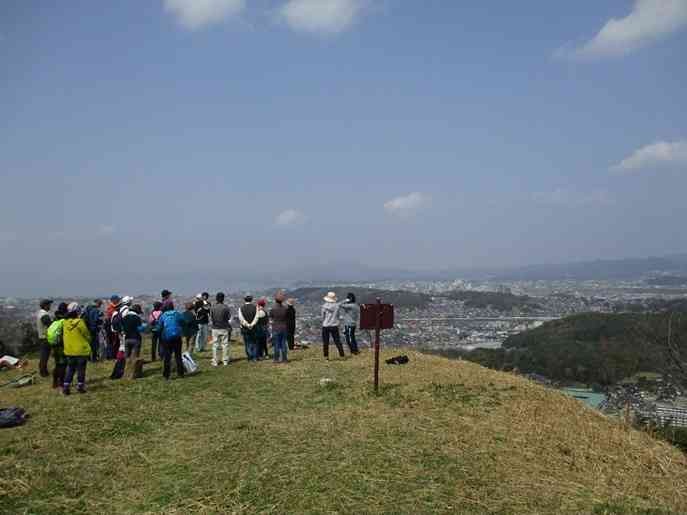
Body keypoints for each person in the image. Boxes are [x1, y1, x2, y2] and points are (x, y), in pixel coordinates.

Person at [62, 303, 92, 394]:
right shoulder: (80, 322)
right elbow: (86, 334)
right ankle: (80, 386)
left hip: (69, 350)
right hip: (81, 350)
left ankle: (66, 387)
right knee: (81, 369)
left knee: (70, 369)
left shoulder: (64, 323)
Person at [157, 303, 185, 380]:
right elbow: (183, 322)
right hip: (177, 337)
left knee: (167, 357)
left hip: (167, 338)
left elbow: (159, 327)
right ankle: (180, 373)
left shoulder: (163, 315)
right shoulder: (177, 314)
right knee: (178, 355)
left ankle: (166, 375)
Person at [46, 302, 69, 389]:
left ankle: (55, 382)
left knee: (57, 364)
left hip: (54, 344)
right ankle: (61, 382)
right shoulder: (64, 320)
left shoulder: (55, 318)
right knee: (63, 364)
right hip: (61, 345)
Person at [122, 304, 146, 376]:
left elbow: (122, 328)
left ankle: (125, 372)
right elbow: (139, 329)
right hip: (135, 338)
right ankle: (134, 373)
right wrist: (144, 327)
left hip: (127, 338)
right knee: (135, 357)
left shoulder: (125, 317)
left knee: (126, 357)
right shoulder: (136, 318)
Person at [210, 292, 232, 367]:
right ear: (223, 299)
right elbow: (229, 317)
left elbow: (211, 317)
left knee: (215, 345)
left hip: (215, 327)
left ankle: (215, 361)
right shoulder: (226, 307)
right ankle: (225, 360)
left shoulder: (212, 307)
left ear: (216, 298)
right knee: (225, 344)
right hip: (224, 327)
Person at [321, 292, 344, 360]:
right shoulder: (337, 306)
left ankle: (326, 356)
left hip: (326, 325)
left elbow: (323, 316)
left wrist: (325, 321)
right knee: (337, 341)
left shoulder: (324, 306)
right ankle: (342, 355)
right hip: (334, 325)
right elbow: (338, 316)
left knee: (325, 342)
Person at [269, 291, 289, 363]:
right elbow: (287, 318)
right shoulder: (285, 309)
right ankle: (284, 359)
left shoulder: (273, 309)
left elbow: (271, 318)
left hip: (276, 328)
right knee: (284, 344)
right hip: (284, 327)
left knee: (276, 344)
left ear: (275, 300)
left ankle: (276, 359)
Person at [238, 295, 259, 362]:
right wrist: (252, 324)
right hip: (254, 328)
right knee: (254, 343)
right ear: (251, 300)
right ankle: (255, 357)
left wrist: (247, 325)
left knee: (247, 343)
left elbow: (241, 319)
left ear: (245, 300)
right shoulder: (255, 308)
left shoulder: (241, 308)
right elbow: (257, 317)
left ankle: (250, 357)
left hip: (245, 329)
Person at [36, 299, 53, 377]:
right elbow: (50, 325)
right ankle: (43, 372)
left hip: (42, 337)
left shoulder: (40, 313)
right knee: (45, 355)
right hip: (45, 337)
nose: (50, 306)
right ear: (46, 305)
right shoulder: (44, 315)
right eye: (49, 305)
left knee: (44, 355)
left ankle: (43, 369)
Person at [104, 295, 121, 360]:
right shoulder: (111, 308)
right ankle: (111, 356)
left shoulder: (112, 307)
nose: (119, 301)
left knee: (113, 342)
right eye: (118, 300)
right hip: (111, 328)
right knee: (112, 342)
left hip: (111, 327)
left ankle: (112, 355)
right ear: (114, 300)